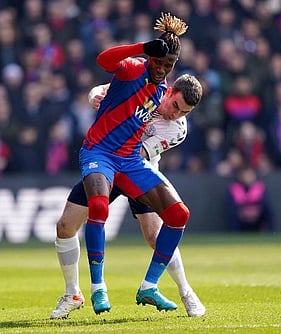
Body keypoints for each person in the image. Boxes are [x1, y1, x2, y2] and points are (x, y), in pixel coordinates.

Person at [79, 13, 202, 315]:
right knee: (86, 214)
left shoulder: (166, 106)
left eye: (167, 66)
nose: (161, 69)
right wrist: (140, 48)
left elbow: (125, 110)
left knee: (177, 215)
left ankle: (152, 286)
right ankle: (94, 289)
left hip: (133, 161)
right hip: (100, 154)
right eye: (158, 62)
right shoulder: (135, 69)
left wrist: (100, 93)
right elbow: (105, 62)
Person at [50, 84, 205, 319]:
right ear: (170, 91)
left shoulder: (177, 129)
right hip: (107, 166)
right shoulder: (148, 87)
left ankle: (186, 292)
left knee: (156, 236)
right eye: (175, 106)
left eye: (184, 112)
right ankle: (72, 293)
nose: (176, 115)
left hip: (138, 173)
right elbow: (102, 89)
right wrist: (96, 96)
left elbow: (137, 154)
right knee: (65, 226)